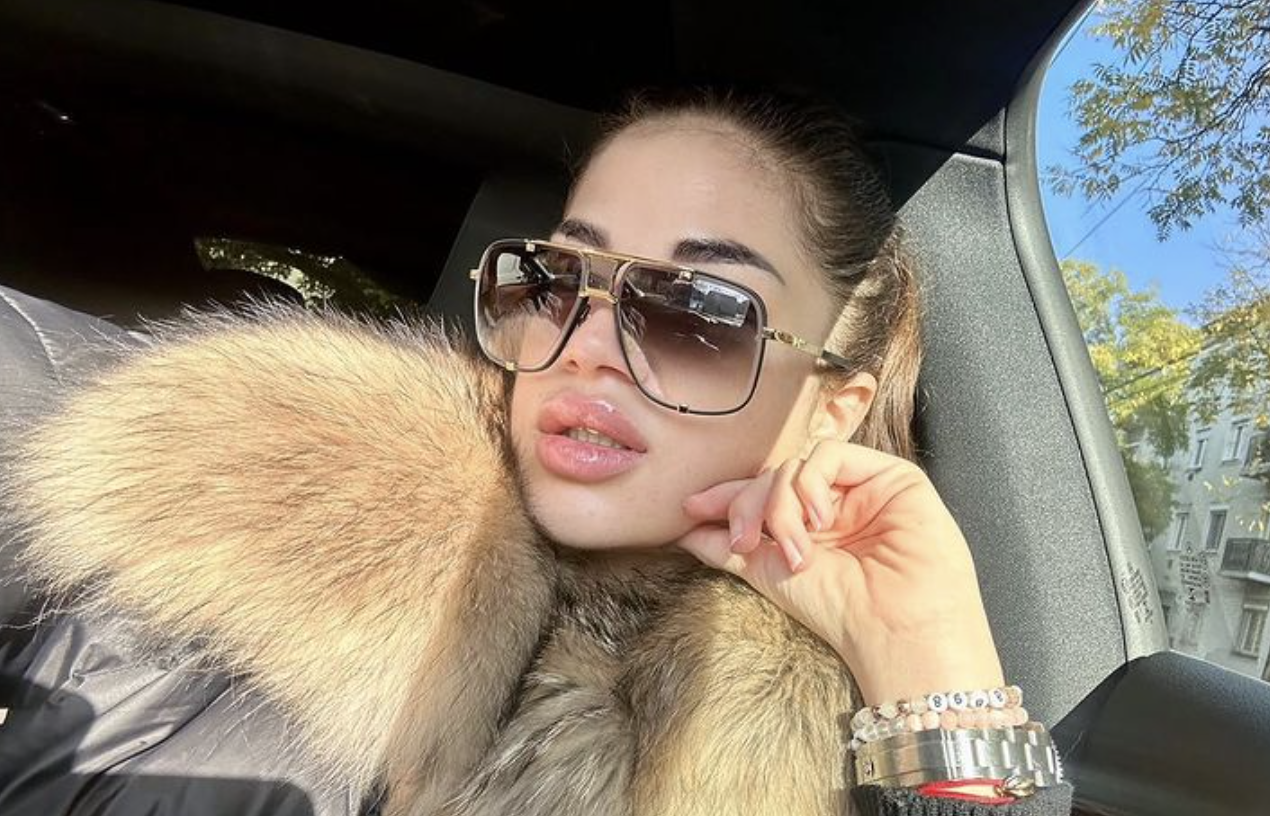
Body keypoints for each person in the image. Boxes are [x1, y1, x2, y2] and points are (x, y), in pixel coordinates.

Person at [0, 86, 1074, 815]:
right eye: (558, 281)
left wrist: (932, 663)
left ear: (832, 409)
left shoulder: (833, 751)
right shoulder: (233, 484)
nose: (587, 347)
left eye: (697, 310)